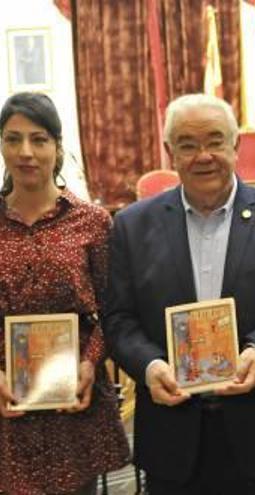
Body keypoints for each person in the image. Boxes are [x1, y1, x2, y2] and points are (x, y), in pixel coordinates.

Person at [104, 93, 255, 494]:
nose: (203, 155)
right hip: (173, 434)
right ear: (170, 152)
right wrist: (151, 366)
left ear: (235, 145)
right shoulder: (132, 227)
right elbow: (119, 320)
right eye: (188, 145)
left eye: (214, 141)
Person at [0, 92, 129, 494]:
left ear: (57, 148)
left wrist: (91, 364)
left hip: (75, 399)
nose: (26, 152)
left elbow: (114, 310)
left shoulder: (92, 222)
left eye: (39, 139)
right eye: (12, 138)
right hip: (5, 406)